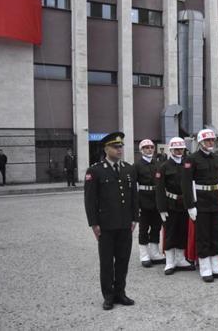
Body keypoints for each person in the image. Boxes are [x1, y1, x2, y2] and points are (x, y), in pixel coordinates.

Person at [84, 132, 138, 310]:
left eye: (121, 146)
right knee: (107, 262)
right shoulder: (95, 170)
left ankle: (120, 293)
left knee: (123, 260)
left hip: (125, 224)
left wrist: (135, 218)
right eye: (116, 146)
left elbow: (133, 196)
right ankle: (108, 296)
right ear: (106, 149)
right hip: (106, 225)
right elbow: (90, 200)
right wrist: (94, 223)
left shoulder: (129, 169)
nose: (119, 149)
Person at [182, 129, 218, 282]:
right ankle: (205, 267)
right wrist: (190, 206)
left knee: (216, 233)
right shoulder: (192, 159)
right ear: (201, 142)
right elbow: (186, 184)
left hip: (216, 201)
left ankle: (215, 265)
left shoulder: (217, 159)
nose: (211, 143)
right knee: (203, 235)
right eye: (208, 140)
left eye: (212, 140)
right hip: (201, 202)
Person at [155, 137, 194, 275]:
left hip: (184, 204)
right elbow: (159, 190)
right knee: (170, 233)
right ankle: (170, 261)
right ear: (170, 150)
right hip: (170, 204)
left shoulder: (187, 164)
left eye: (181, 149)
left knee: (183, 231)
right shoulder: (164, 166)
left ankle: (181, 259)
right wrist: (161, 208)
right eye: (176, 149)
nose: (179, 151)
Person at [135, 139, 165, 267]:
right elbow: (133, 187)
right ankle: (144, 255)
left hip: (156, 199)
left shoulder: (158, 164)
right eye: (146, 148)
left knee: (156, 227)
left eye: (151, 147)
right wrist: (136, 205)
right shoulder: (136, 166)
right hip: (143, 199)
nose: (149, 150)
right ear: (141, 150)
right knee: (143, 228)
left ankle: (154, 253)